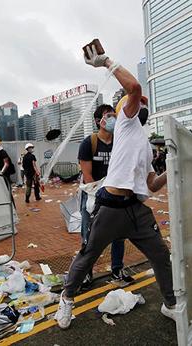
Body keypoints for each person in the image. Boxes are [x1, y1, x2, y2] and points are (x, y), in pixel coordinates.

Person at [55, 42, 175, 329]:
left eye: (143, 102)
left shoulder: (144, 145)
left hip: (136, 209)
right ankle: (66, 300)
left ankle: (171, 304)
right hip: (110, 207)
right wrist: (106, 61)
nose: (139, 102)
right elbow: (133, 89)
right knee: (88, 256)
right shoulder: (125, 122)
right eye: (135, 101)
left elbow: (152, 185)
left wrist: (171, 167)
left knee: (161, 255)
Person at [77, 103, 132, 288]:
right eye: (108, 115)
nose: (113, 119)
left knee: (118, 234)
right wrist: (99, 198)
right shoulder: (89, 143)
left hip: (115, 192)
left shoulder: (120, 141)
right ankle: (86, 272)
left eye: (113, 115)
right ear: (98, 121)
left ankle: (117, 269)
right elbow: (87, 175)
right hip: (93, 194)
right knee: (89, 234)